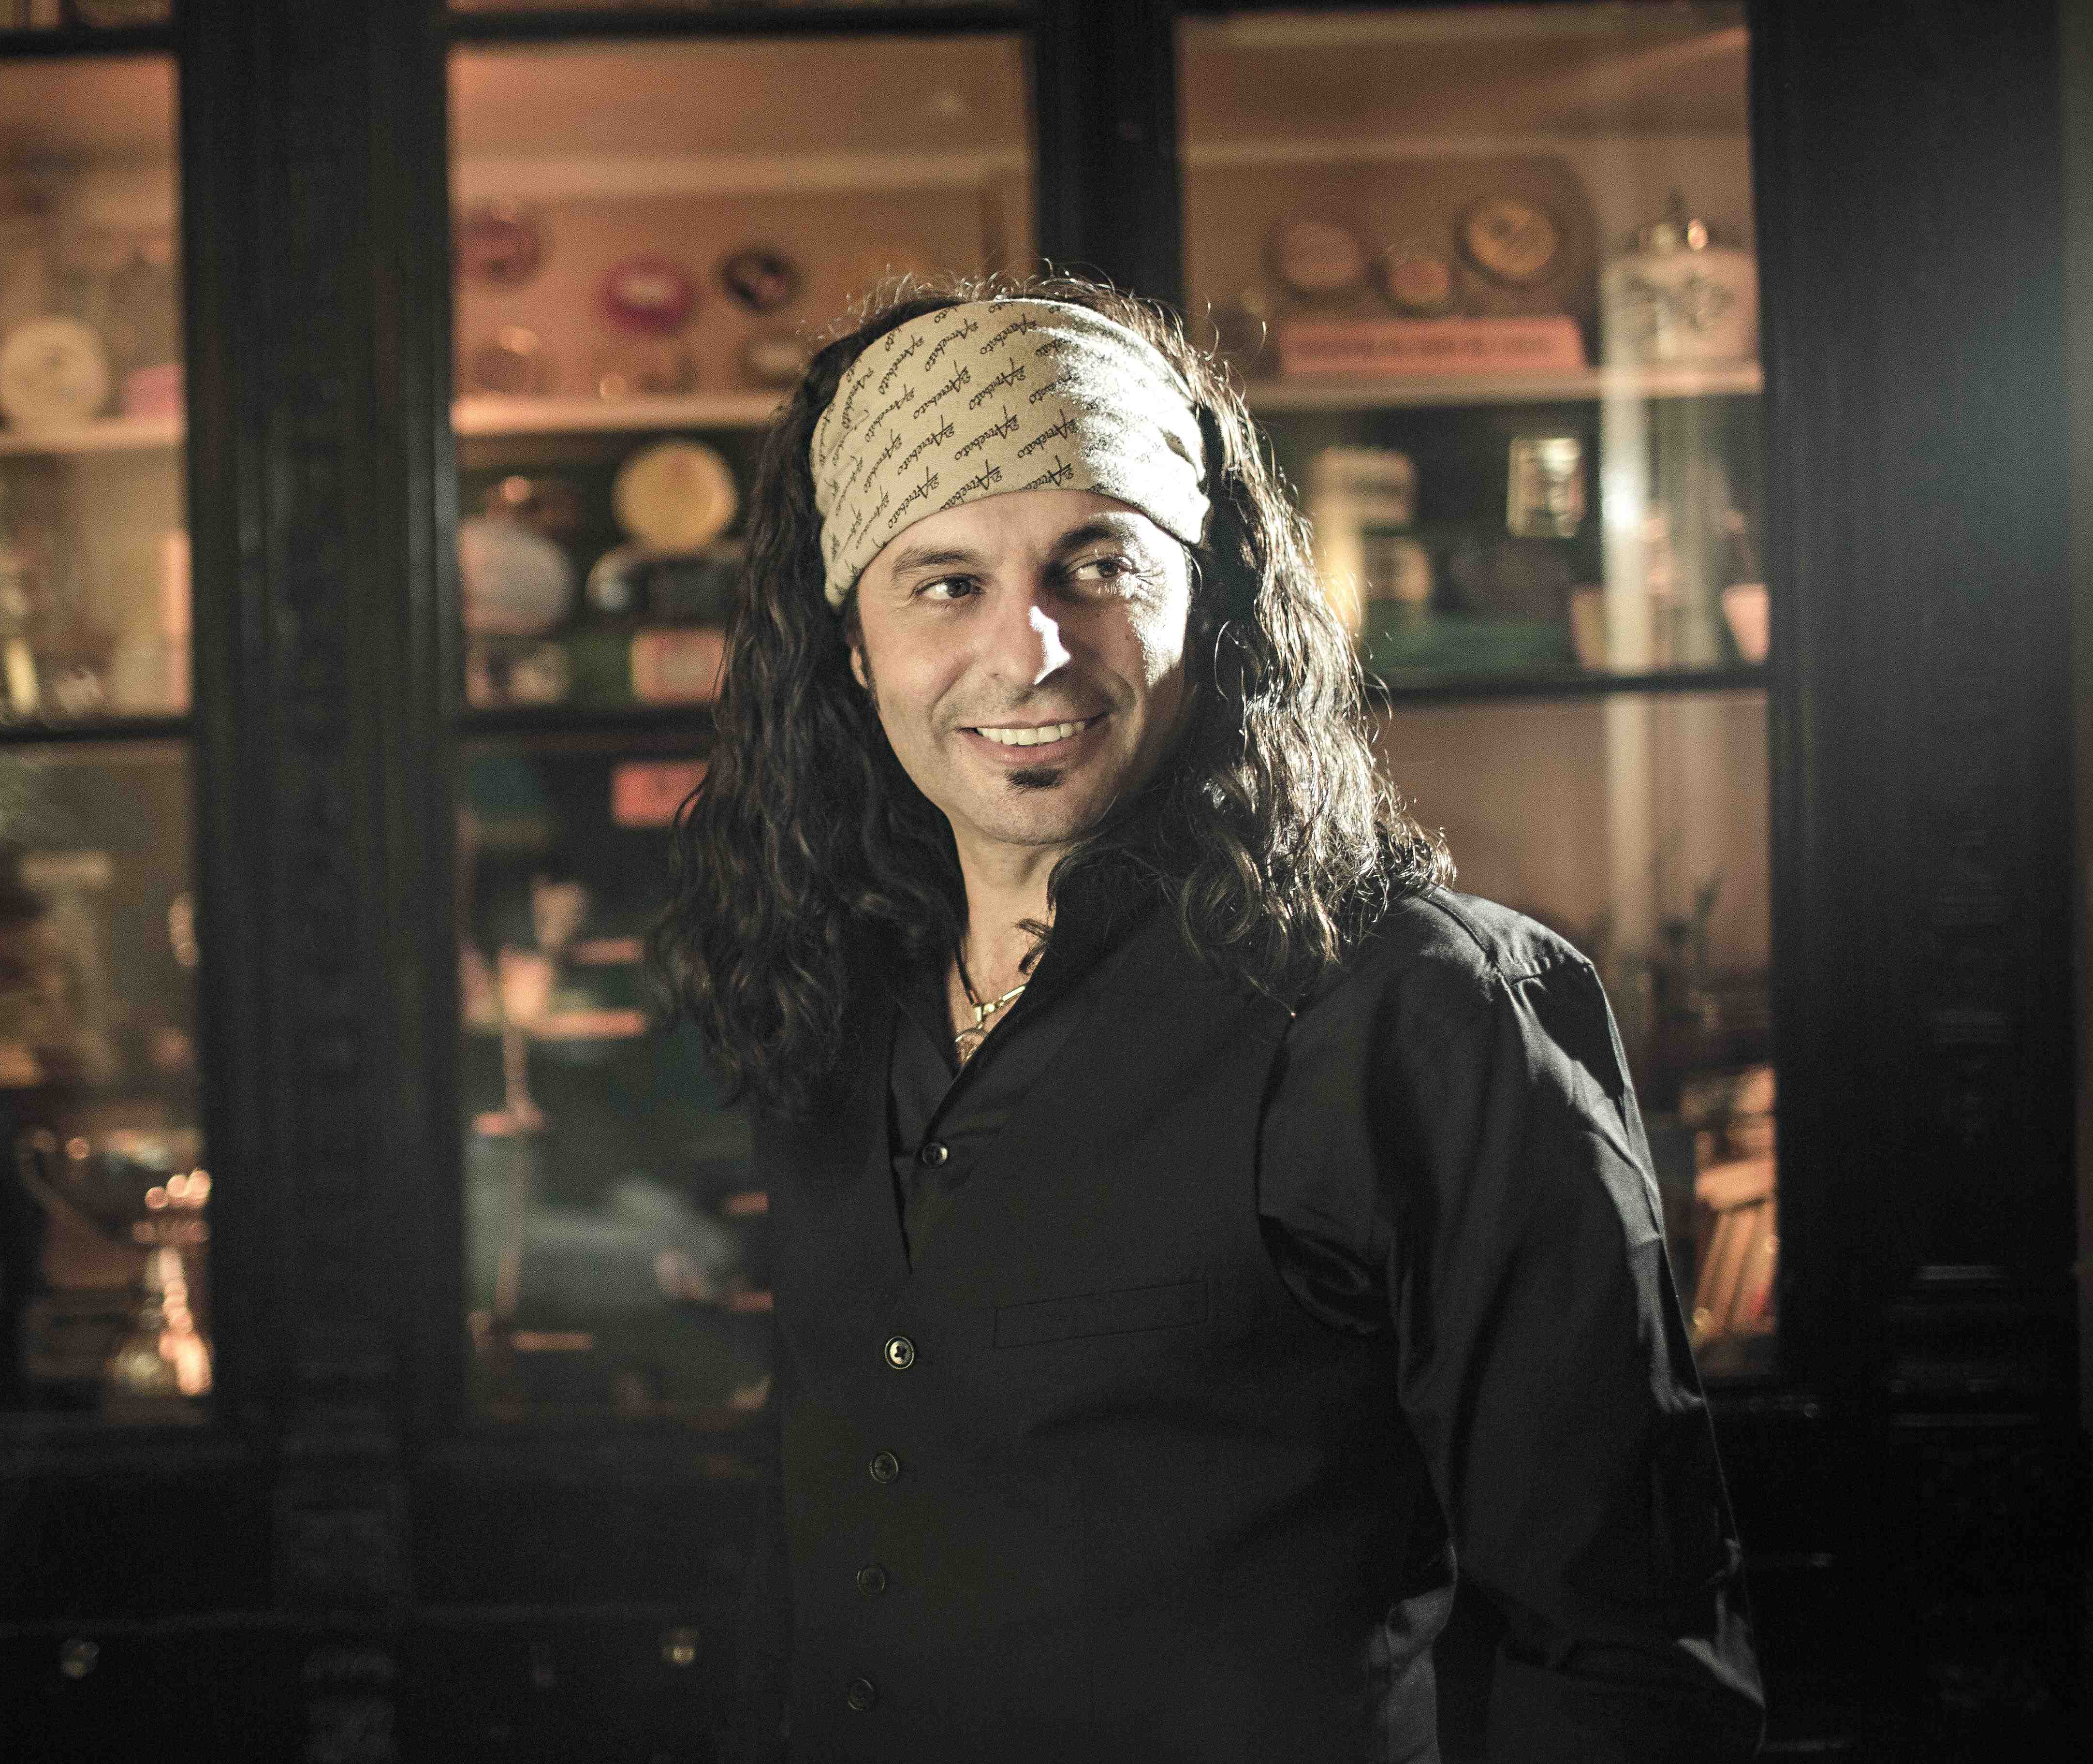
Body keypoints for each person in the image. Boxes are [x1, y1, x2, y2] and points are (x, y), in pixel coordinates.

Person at [650, 277, 1766, 1763]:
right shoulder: (840, 997)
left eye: (1096, 565)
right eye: (945, 582)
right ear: (852, 645)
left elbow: (1623, 1648)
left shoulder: (1421, 1011)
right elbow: (818, 1563)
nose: (1030, 650)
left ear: (1211, 598)